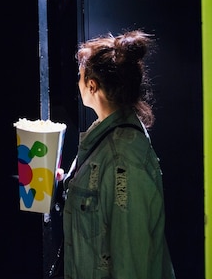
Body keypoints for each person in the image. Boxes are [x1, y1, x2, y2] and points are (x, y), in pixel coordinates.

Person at [58, 29, 175, 279]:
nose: (77, 83)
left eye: (80, 76)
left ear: (92, 85)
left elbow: (132, 262)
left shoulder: (123, 157)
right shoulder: (104, 136)